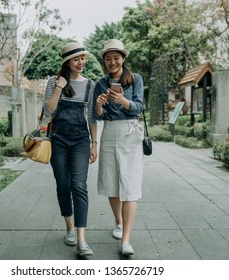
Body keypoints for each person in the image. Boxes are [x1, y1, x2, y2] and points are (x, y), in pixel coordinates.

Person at [43, 41, 98, 256]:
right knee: (63, 185)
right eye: (77, 59)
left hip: (81, 140)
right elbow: (48, 112)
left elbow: (92, 117)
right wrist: (59, 87)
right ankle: (69, 228)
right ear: (67, 61)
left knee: (80, 186)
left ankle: (81, 239)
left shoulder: (89, 85)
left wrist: (95, 143)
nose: (81, 62)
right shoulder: (53, 82)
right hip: (58, 140)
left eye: (83, 58)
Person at [94, 39, 144, 256]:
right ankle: (118, 222)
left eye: (116, 58)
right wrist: (98, 105)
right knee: (112, 183)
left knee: (130, 186)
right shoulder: (100, 84)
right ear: (104, 62)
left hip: (130, 134)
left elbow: (139, 108)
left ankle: (126, 240)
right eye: (108, 59)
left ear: (123, 58)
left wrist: (123, 100)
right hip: (109, 133)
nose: (112, 62)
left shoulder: (135, 80)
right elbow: (97, 116)